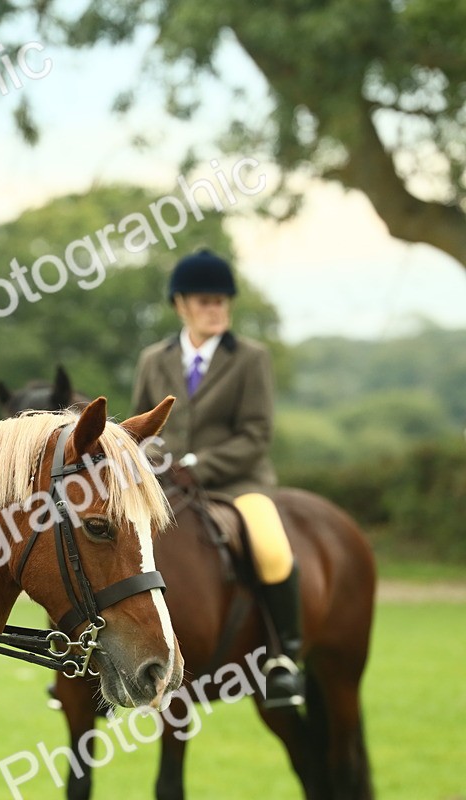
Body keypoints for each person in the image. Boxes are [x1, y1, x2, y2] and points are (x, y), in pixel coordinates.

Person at [131, 249, 303, 710]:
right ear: (181, 305)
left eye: (223, 301)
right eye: (206, 301)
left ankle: (284, 656)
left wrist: (196, 464)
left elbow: (256, 434)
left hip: (237, 484)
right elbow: (140, 427)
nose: (217, 309)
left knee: (270, 546)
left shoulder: (251, 358)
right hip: (166, 485)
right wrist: (153, 457)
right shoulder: (154, 359)